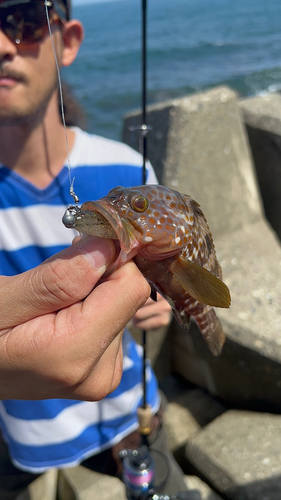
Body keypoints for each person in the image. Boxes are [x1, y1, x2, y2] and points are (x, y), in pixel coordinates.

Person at [0, 0, 188, 498]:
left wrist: (160, 299)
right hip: (22, 437)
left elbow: (162, 273)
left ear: (69, 40)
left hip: (131, 418)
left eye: (22, 21)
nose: (0, 45)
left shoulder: (130, 173)